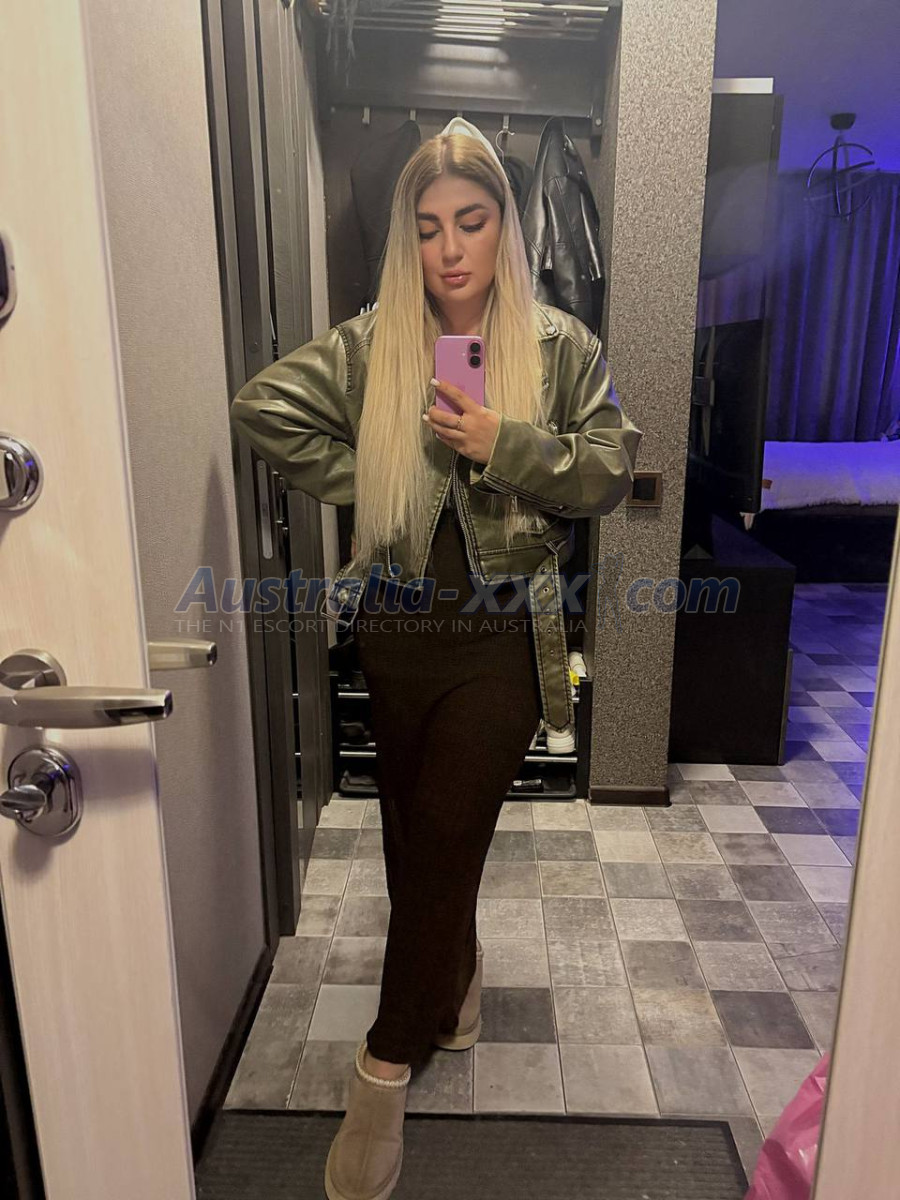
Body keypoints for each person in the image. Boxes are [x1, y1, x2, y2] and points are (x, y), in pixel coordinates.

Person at [230, 118, 642, 1200]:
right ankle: (454, 977)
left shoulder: (558, 344)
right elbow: (263, 408)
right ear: (407, 239)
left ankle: (382, 1070)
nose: (450, 248)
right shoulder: (373, 343)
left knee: (451, 829)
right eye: (427, 227)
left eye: (470, 219)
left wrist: (505, 444)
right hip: (398, 629)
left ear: (505, 224)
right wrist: (380, 475)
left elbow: (609, 469)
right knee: (414, 839)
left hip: (505, 638)